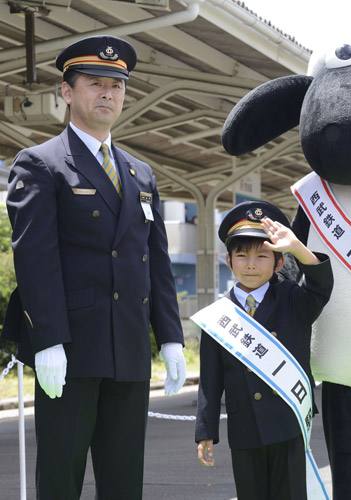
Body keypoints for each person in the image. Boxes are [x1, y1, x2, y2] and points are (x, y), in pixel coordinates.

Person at [1, 35, 186, 500]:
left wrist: (170, 337)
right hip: (70, 353)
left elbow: (156, 262)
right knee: (61, 481)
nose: (108, 93)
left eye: (117, 86)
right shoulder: (40, 165)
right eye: (95, 83)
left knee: (124, 483)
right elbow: (35, 261)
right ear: (67, 92)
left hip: (127, 351)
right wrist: (48, 341)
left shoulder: (141, 173)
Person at [195, 200, 333, 500]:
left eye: (262, 256)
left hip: (287, 421)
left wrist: (297, 247)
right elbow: (210, 377)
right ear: (228, 262)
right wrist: (205, 430)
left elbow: (322, 287)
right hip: (244, 425)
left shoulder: (293, 300)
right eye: (241, 255)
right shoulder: (219, 315)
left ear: (279, 263)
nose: (251, 264)